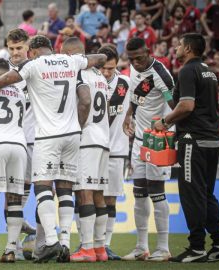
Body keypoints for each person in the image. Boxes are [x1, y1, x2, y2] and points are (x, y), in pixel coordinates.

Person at [0, 35, 107, 263]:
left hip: (48, 136)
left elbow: (0, 82)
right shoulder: (70, 61)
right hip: (73, 134)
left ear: (34, 51)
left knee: (42, 187)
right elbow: (100, 59)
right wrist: (81, 58)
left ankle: (50, 241)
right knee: (66, 188)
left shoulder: (33, 65)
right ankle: (66, 243)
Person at [153, 33, 219, 263]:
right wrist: (168, 92)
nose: (175, 47)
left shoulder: (188, 70)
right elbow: (187, 103)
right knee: (206, 194)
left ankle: (196, 247)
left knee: (191, 194)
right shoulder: (210, 72)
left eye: (178, 44)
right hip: (212, 139)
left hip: (193, 140)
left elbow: (187, 106)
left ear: (187, 48)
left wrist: (165, 122)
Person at [122, 37, 175, 262]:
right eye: (132, 59)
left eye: (140, 58)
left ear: (149, 51)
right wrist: (128, 115)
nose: (136, 63)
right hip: (139, 140)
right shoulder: (134, 69)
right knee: (139, 191)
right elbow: (136, 95)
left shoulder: (161, 75)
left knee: (157, 190)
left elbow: (177, 106)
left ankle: (163, 248)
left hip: (158, 140)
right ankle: (141, 247)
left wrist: (166, 126)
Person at [61, 37, 110, 264]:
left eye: (64, 55)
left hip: (87, 138)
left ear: (73, 56)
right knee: (99, 193)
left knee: (84, 192)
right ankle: (100, 248)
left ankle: (87, 249)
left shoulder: (78, 73)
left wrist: (77, 129)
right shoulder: (100, 76)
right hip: (103, 139)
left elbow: (84, 102)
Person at [5, 28, 37, 260]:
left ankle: (42, 238)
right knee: (13, 195)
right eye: (12, 48)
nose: (15, 52)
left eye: (19, 48)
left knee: (47, 190)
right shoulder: (3, 72)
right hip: (14, 142)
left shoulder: (36, 69)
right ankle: (15, 243)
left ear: (28, 47)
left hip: (39, 140)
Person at [98, 45, 130, 261]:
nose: (107, 72)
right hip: (91, 148)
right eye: (104, 68)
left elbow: (137, 105)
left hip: (117, 149)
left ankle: (106, 244)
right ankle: (88, 243)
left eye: (111, 68)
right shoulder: (90, 81)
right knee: (87, 198)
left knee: (110, 200)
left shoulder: (126, 83)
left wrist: (130, 118)